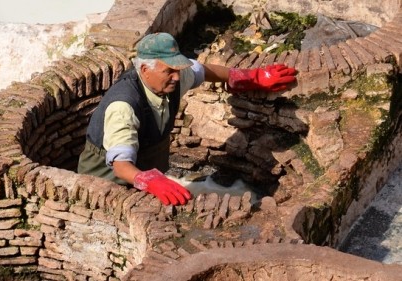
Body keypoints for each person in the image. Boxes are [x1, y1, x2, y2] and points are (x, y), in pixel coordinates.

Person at [78, 32, 296, 206]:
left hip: (145, 165)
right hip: (107, 183)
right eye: (169, 71)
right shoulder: (124, 105)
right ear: (145, 69)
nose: (176, 77)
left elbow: (204, 70)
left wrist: (247, 77)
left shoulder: (170, 78)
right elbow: (121, 165)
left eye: (178, 69)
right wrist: (151, 182)